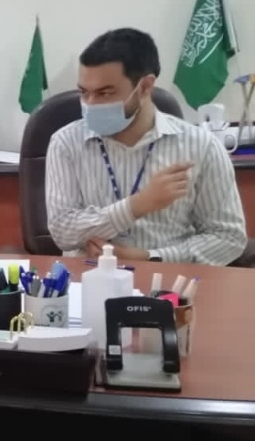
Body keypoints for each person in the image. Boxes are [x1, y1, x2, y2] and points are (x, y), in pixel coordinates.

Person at [45, 29, 247, 265]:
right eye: (84, 92)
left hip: (170, 279)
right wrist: (137, 205)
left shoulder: (201, 146)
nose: (90, 104)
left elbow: (228, 237)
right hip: (88, 275)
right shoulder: (66, 143)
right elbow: (62, 231)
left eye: (104, 93)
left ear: (145, 86)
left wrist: (152, 257)